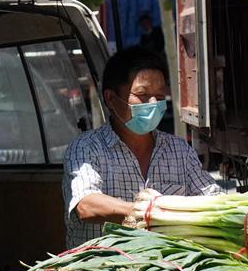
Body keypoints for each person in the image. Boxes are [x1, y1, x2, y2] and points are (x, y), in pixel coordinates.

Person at [62, 46, 220, 248]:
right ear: (110, 98)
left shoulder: (179, 151)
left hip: (165, 270)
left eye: (160, 97)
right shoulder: (86, 148)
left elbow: (211, 198)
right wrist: (150, 213)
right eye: (142, 95)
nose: (153, 103)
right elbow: (86, 205)